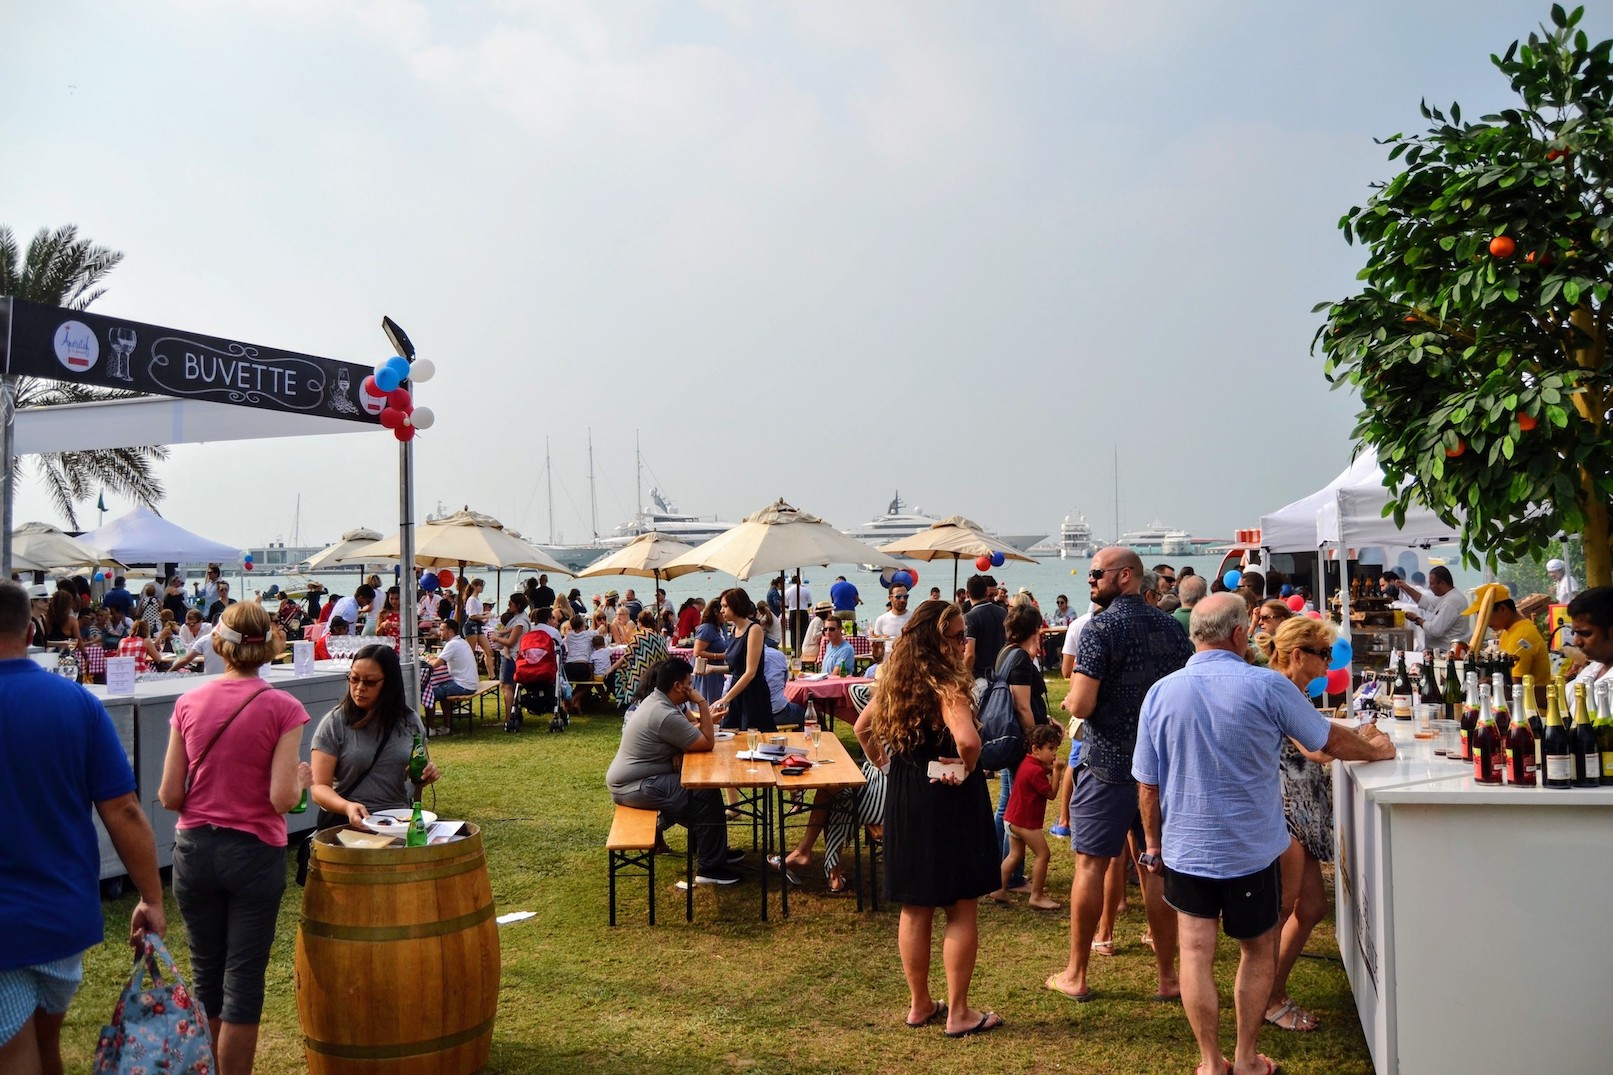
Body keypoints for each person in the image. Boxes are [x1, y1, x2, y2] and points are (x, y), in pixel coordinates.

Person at [1134, 593, 1395, 1075]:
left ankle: (1211, 1062)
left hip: (1187, 847)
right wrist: (1377, 751)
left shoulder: (1160, 692)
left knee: (1195, 952)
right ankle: (1246, 1056)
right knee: (1257, 948)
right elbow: (1327, 740)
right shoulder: (1265, 686)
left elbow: (1147, 785)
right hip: (1251, 848)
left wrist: (1153, 845)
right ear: (1238, 634)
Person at [0, 581, 167, 1075]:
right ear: (30, 629)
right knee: (43, 1045)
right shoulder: (77, 703)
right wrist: (152, 898)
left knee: (13, 1054)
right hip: (62, 915)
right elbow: (125, 810)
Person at [157, 601, 310, 1075]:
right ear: (268, 649)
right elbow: (282, 798)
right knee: (242, 981)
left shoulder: (188, 703)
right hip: (254, 854)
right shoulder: (284, 708)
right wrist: (302, 779)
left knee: (207, 978)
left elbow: (168, 794)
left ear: (219, 645)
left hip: (196, 851)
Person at [1047, 547, 1192, 1005]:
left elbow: (1084, 704)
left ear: (1124, 576)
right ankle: (1168, 977)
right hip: (1159, 768)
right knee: (1155, 865)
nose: (1090, 581)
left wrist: (1070, 703)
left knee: (1090, 864)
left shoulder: (1099, 627)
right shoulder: (1171, 627)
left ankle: (1076, 973)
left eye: (1096, 574)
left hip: (1109, 762)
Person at [858, 599, 1002, 1037]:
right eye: (959, 636)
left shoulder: (895, 681)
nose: (964, 644)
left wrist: (886, 765)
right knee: (961, 909)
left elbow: (864, 728)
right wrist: (969, 768)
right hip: (948, 797)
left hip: (906, 795)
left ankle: (920, 1003)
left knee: (915, 906)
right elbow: (969, 741)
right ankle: (958, 1013)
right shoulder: (947, 686)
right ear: (938, 640)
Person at [1255, 615, 1385, 1034]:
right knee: (1283, 911)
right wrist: (1373, 748)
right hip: (1287, 811)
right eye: (1324, 654)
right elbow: (1317, 748)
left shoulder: (1291, 689)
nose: (1330, 661)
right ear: (1298, 655)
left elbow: (1318, 736)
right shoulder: (1282, 689)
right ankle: (1269, 1000)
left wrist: (1356, 736)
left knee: (1310, 908)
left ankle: (1270, 993)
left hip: (1299, 811)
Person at [606, 658, 744, 884]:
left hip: (637, 779)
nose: (692, 687)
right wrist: (701, 702)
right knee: (702, 793)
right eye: (690, 683)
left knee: (702, 788)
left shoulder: (658, 702)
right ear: (678, 686)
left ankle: (712, 853)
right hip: (632, 786)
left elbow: (689, 736)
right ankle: (710, 869)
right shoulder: (663, 712)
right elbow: (707, 742)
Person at [310, 643, 439, 826]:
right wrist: (346, 807)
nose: (359, 688)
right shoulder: (334, 723)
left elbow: (415, 783)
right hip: (348, 824)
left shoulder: (409, 721)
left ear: (389, 684)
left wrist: (424, 776)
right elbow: (318, 788)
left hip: (398, 822)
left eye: (369, 682)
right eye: (354, 679)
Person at [992, 602, 1049, 892]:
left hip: (1011, 738)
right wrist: (1035, 740)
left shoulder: (1007, 653)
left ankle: (997, 867)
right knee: (1017, 810)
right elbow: (1022, 705)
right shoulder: (1019, 660)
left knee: (1006, 804)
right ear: (1034, 629)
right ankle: (1011, 876)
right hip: (1019, 740)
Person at [991, 723, 1063, 911]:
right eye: (1050, 749)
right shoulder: (1035, 771)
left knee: (1015, 855)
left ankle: (998, 889)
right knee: (1043, 854)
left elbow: (1040, 771)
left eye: (1056, 748)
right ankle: (1037, 896)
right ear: (1035, 749)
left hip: (1013, 818)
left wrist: (1049, 768)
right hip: (1025, 822)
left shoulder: (1029, 763)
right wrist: (1056, 772)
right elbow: (1051, 794)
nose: (1054, 753)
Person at [713, 589, 776, 732]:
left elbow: (750, 672)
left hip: (753, 693)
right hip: (736, 689)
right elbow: (737, 667)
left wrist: (725, 698)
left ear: (737, 606)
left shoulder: (754, 629)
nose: (721, 610)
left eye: (725, 606)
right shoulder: (734, 629)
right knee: (729, 733)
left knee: (753, 737)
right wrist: (712, 669)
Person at [1474, 586, 1551, 704]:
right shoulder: (1510, 631)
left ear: (1503, 609)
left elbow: (1513, 689)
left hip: (1529, 713)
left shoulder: (1521, 636)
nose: (1484, 622)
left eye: (1485, 615)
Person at [1392, 565, 1468, 652]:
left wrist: (1417, 619)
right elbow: (1427, 603)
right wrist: (1406, 587)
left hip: (1447, 651)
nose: (1429, 587)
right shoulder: (1446, 597)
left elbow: (1435, 630)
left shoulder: (1452, 601)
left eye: (1432, 583)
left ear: (1442, 583)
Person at [422, 618, 480, 733]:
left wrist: (427, 658)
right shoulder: (461, 642)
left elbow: (436, 664)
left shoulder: (452, 644)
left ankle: (430, 729)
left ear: (450, 632)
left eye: (442, 630)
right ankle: (446, 726)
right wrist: (434, 659)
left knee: (429, 693)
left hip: (463, 685)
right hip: (470, 683)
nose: (440, 633)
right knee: (443, 690)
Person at [607, 610, 670, 709]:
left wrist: (612, 668)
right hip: (658, 672)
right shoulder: (659, 636)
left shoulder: (639, 636)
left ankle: (626, 703)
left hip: (642, 673)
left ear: (639, 622)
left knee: (618, 674)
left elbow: (626, 656)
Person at [490, 593, 532, 726]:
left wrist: (496, 638)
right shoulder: (521, 618)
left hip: (512, 656)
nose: (508, 606)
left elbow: (510, 641)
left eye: (510, 604)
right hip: (516, 655)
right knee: (512, 688)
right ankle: (514, 714)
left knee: (507, 687)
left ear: (517, 605)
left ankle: (508, 718)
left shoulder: (519, 622)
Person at [962, 573, 1006, 681]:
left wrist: (965, 679)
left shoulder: (970, 618)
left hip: (981, 676)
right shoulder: (1003, 612)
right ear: (986, 592)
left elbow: (969, 654)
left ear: (967, 594)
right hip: (1002, 673)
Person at [690, 600, 729, 703]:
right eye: (723, 610)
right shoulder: (706, 629)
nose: (725, 612)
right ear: (716, 612)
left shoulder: (722, 628)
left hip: (717, 671)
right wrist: (721, 656)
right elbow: (697, 652)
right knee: (708, 702)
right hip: (706, 674)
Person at [782, 576, 813, 650]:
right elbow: (809, 603)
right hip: (803, 612)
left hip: (793, 612)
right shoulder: (805, 590)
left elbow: (785, 605)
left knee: (793, 632)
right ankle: (803, 647)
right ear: (799, 581)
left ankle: (794, 649)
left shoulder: (787, 591)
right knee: (804, 631)